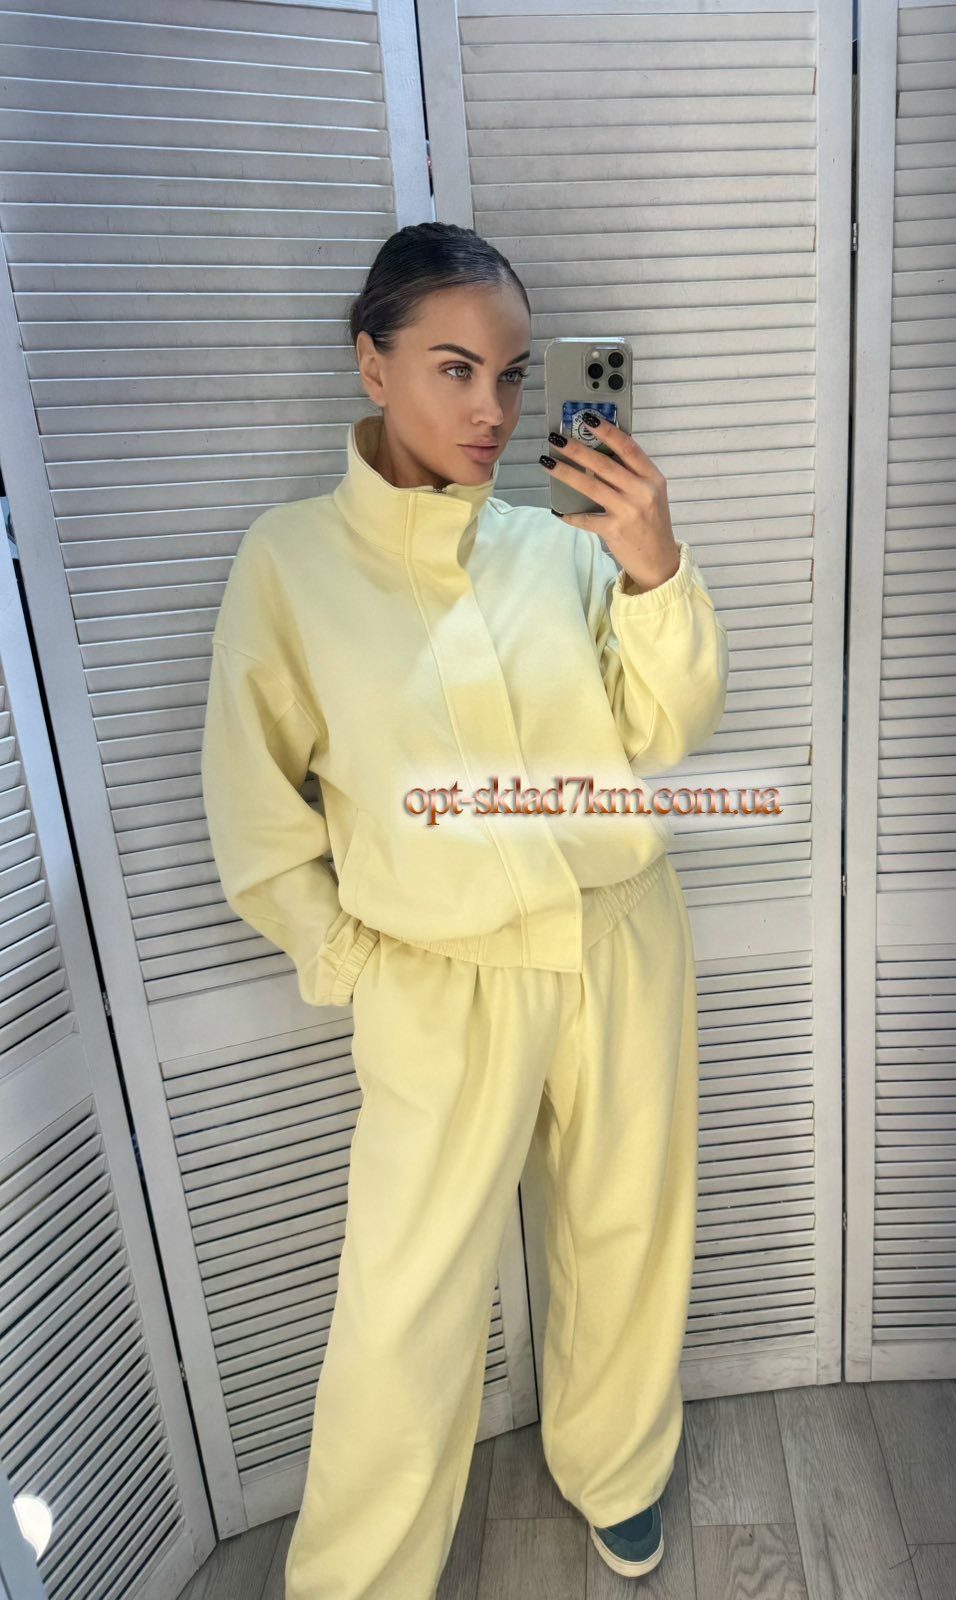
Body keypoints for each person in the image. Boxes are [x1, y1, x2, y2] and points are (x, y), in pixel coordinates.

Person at [200, 221, 729, 1600]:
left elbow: (660, 732)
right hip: (439, 978)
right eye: (452, 368)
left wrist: (654, 565)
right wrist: (349, 958)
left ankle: (617, 1468)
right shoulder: (290, 564)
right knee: (407, 1299)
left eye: (512, 373)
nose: (492, 408)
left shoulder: (560, 545)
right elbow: (254, 804)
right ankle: (356, 1577)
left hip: (618, 937)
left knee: (625, 1232)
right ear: (370, 364)